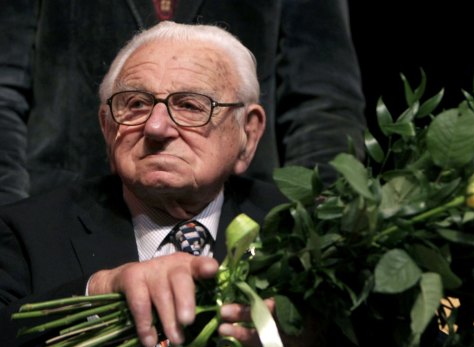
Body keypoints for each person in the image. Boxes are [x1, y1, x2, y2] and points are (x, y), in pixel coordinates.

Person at [0, 22, 289, 347]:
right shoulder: (26, 232)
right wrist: (97, 292)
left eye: (190, 105)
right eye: (136, 103)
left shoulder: (298, 228)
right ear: (108, 127)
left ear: (248, 135)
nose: (156, 126)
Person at [0, 0, 365, 204]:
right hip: (69, 215)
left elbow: (323, 103)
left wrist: (309, 226)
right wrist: (14, 223)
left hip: (240, 218)